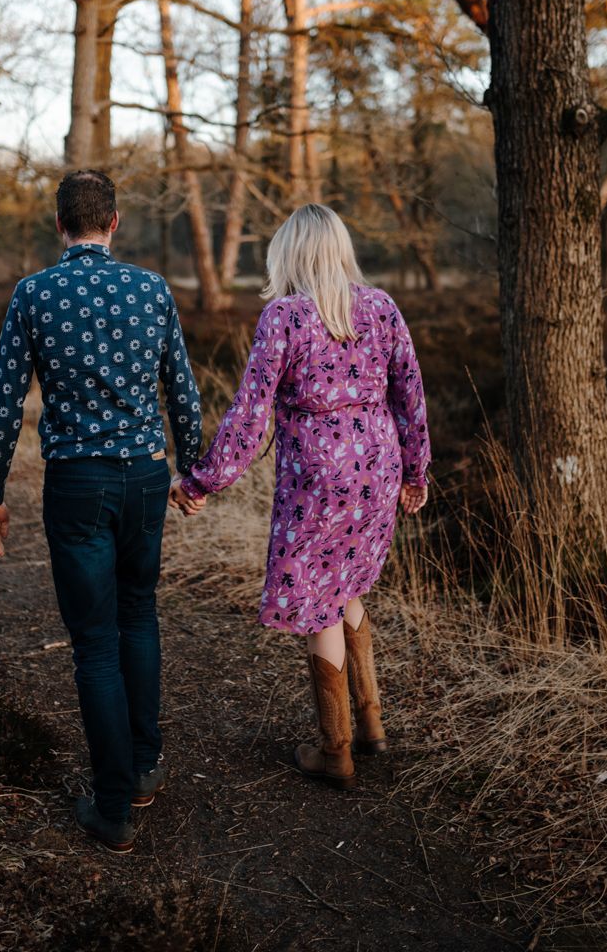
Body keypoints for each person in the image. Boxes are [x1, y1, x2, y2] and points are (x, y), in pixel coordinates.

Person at [0, 169, 204, 852]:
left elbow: (5, 404)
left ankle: (113, 809)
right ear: (114, 222)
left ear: (60, 226)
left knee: (95, 643)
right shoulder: (152, 289)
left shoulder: (34, 294)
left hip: (77, 481)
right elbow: (183, 392)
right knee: (138, 614)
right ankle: (142, 767)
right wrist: (192, 469)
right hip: (143, 478)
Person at [172, 204, 430, 789]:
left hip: (318, 476)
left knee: (319, 598)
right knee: (349, 582)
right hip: (377, 467)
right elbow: (410, 395)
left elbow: (248, 415)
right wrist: (416, 472)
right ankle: (372, 726)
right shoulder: (381, 306)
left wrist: (201, 481)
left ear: (288, 254)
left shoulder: (284, 316)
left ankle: (335, 749)